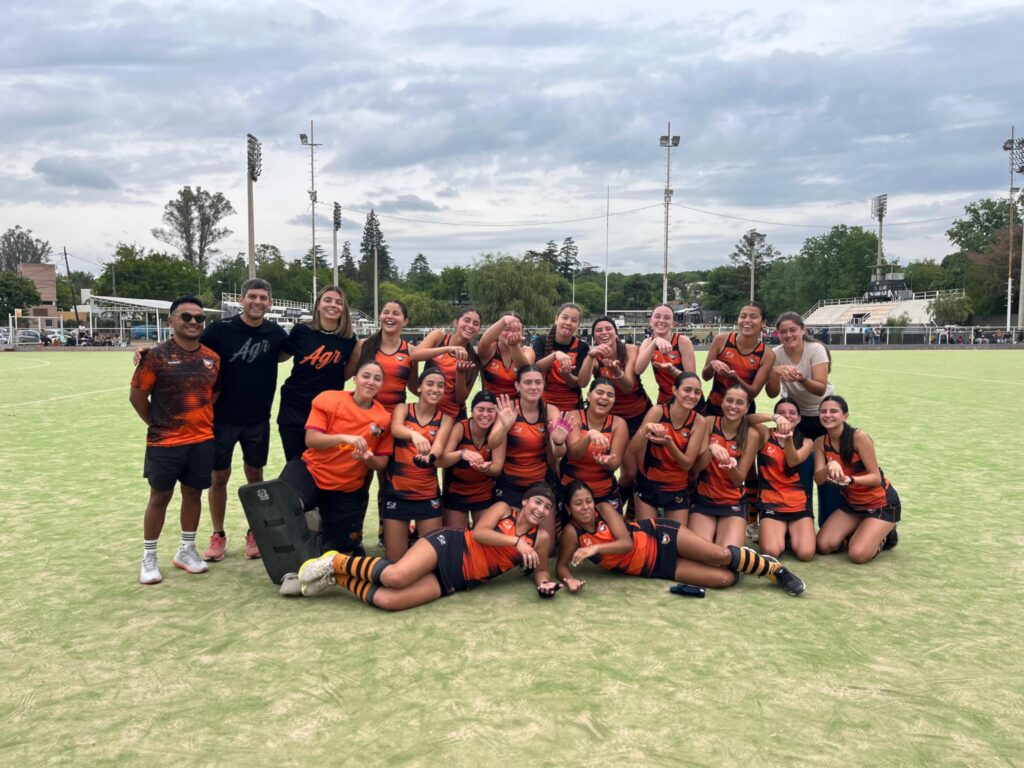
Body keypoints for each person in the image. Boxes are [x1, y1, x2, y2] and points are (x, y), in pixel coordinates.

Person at [292, 483, 561, 608]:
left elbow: (540, 570)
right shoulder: (504, 509)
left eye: (547, 507)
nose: (541, 510)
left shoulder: (541, 538)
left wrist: (544, 583)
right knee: (395, 577)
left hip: (459, 578)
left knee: (389, 601)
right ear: (525, 502)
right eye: (537, 502)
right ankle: (336, 560)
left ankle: (337, 577)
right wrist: (516, 542)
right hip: (451, 545)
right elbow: (479, 533)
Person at [555, 481, 804, 595]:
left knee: (719, 554)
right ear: (568, 508)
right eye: (578, 504)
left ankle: (775, 570)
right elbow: (562, 566)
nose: (585, 507)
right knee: (724, 578)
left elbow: (626, 543)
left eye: (588, 500)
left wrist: (595, 549)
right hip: (653, 566)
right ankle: (744, 560)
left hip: (659, 534)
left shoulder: (603, 509)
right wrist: (569, 580)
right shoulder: (571, 533)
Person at [194, 278, 289, 562]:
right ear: (241, 299)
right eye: (252, 296)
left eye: (263, 298)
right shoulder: (220, 330)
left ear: (269, 303)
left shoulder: (276, 333)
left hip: (257, 419)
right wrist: (149, 352)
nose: (257, 302)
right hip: (221, 418)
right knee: (218, 477)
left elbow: (289, 354)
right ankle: (218, 535)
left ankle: (255, 532)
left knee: (255, 476)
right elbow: (189, 346)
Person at [129, 296, 221, 585]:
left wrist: (195, 419)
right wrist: (158, 424)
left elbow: (214, 394)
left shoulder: (213, 358)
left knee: (193, 494)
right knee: (160, 497)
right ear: (171, 321)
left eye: (199, 318)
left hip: (202, 440)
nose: (193, 322)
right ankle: (149, 557)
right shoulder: (155, 356)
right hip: (165, 442)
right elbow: (137, 397)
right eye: (186, 317)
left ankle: (186, 550)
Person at [277, 361, 393, 555]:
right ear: (355, 379)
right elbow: (311, 440)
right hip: (312, 471)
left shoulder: (383, 418)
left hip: (346, 486)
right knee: (285, 504)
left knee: (346, 554)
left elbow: (381, 463)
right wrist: (343, 438)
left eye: (377, 378)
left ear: (381, 385)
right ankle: (307, 525)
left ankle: (322, 527)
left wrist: (366, 459)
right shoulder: (329, 399)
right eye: (366, 376)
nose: (371, 381)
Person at [765, 311, 839, 527]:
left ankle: (830, 524)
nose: (788, 335)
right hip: (797, 419)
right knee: (800, 471)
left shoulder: (815, 349)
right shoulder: (776, 354)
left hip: (823, 416)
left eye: (793, 330)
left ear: (803, 330)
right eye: (783, 331)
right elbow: (771, 393)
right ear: (777, 334)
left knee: (828, 473)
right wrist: (774, 373)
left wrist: (801, 379)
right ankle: (801, 520)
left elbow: (820, 388)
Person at [381, 365, 455, 560]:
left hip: (427, 494)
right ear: (419, 387)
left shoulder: (446, 418)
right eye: (430, 384)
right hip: (397, 494)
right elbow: (396, 429)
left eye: (440, 385)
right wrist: (414, 434)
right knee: (395, 561)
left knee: (430, 560)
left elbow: (438, 447)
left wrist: (429, 458)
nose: (435, 389)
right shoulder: (403, 408)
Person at [814, 395, 901, 563]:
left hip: (880, 504)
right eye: (823, 411)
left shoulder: (859, 437)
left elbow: (876, 478)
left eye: (833, 411)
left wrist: (850, 480)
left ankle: (886, 534)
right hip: (852, 504)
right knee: (823, 546)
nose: (827, 415)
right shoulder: (820, 442)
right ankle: (862, 530)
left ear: (845, 416)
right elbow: (818, 479)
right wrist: (829, 466)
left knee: (857, 555)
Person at [277, 285, 358, 461]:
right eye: (327, 300)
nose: (333, 305)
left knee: (323, 463)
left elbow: (345, 373)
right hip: (295, 406)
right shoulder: (301, 331)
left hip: (327, 409)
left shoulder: (348, 339)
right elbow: (281, 356)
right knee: (296, 462)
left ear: (343, 308)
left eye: (338, 302)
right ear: (318, 305)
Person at [584, 316, 651, 511]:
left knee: (643, 471)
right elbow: (582, 381)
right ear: (594, 336)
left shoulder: (629, 350)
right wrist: (590, 357)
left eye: (608, 328)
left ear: (615, 331)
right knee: (628, 472)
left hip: (640, 414)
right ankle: (614, 509)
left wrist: (616, 371)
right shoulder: (596, 356)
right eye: (599, 330)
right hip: (617, 420)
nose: (604, 333)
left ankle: (632, 514)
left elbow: (628, 386)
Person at [628, 372, 708, 524]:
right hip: (648, 484)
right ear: (675, 390)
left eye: (697, 392)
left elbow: (687, 464)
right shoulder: (658, 412)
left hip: (677, 487)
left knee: (674, 536)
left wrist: (669, 444)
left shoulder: (698, 421)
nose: (692, 396)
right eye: (687, 390)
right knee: (648, 535)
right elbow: (633, 449)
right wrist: (645, 429)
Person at [691, 384, 760, 548]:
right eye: (729, 400)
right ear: (722, 402)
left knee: (728, 554)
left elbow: (738, 480)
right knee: (701, 553)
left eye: (739, 402)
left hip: (733, 502)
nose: (733, 406)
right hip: (704, 500)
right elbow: (696, 467)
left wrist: (731, 468)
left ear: (747, 408)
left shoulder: (751, 435)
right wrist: (711, 448)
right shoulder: (708, 423)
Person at [750, 399, 815, 561]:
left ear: (799, 418)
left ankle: (789, 534)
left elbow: (793, 461)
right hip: (771, 503)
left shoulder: (807, 442)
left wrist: (788, 439)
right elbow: (747, 420)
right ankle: (779, 534)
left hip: (798, 504)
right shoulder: (766, 434)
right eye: (781, 412)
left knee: (805, 554)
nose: (787, 416)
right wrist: (774, 418)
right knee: (771, 552)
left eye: (792, 413)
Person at [561, 378, 629, 522]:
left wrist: (607, 462)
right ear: (589, 395)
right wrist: (589, 436)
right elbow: (574, 453)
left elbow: (615, 464)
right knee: (570, 532)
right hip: (572, 490)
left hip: (603, 491)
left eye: (610, 395)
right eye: (599, 392)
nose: (604, 397)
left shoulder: (619, 423)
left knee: (618, 532)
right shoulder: (574, 416)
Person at [438, 391, 506, 529]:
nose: (485, 414)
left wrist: (485, 468)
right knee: (458, 538)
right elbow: (441, 461)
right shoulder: (460, 428)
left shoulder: (498, 432)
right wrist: (462, 454)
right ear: (472, 411)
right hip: (456, 493)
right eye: (480, 409)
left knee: (482, 537)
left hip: (483, 493)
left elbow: (497, 468)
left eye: (490, 410)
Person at [701, 301, 774, 417]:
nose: (747, 320)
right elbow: (705, 376)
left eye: (753, 317)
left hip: (742, 414)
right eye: (743, 316)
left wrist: (734, 377)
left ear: (763, 323)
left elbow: (753, 393)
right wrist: (712, 365)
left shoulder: (767, 354)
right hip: (713, 409)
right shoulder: (721, 340)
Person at [414, 307, 483, 419]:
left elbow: (461, 399)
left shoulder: (473, 358)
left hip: (453, 416)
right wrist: (447, 349)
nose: (470, 325)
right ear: (455, 323)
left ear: (478, 329)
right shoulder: (439, 337)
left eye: (476, 324)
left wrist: (460, 373)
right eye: (467, 320)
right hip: (428, 413)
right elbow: (415, 355)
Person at [531, 303, 590, 412]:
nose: (568, 322)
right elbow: (535, 368)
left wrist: (566, 375)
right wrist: (554, 355)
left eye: (574, 320)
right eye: (565, 317)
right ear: (556, 319)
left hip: (572, 405)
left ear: (578, 325)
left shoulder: (582, 347)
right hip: (543, 403)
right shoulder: (541, 341)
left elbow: (577, 382)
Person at [634, 304, 697, 407]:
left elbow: (692, 380)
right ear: (650, 321)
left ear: (673, 324)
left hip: (686, 399)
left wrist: (672, 370)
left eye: (667, 318)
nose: (661, 320)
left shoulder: (682, 341)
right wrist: (654, 342)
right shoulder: (647, 342)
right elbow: (638, 370)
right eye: (657, 316)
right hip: (664, 399)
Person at [476, 313, 530, 399]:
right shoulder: (491, 349)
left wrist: (514, 346)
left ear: (522, 333)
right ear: (498, 332)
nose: (511, 333)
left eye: (517, 329)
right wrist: (503, 320)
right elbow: (483, 343)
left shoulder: (527, 351)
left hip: (517, 404)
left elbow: (525, 369)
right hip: (490, 403)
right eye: (506, 329)